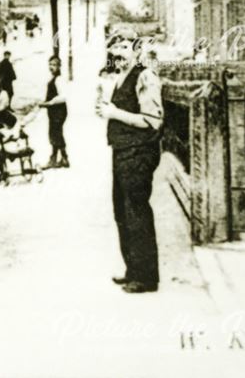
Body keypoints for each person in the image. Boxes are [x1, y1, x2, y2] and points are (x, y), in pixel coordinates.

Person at [96, 30, 163, 294]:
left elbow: (152, 120)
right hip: (122, 151)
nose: (119, 52)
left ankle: (146, 278)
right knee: (122, 213)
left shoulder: (145, 76)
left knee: (136, 212)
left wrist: (114, 112)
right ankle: (133, 270)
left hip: (139, 152)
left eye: (124, 46)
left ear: (136, 49)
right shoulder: (119, 77)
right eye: (114, 48)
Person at [40, 55, 69, 169]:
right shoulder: (53, 79)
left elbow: (63, 97)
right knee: (55, 133)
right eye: (50, 65)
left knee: (55, 133)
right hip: (54, 111)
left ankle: (56, 159)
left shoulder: (59, 79)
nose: (51, 67)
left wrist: (50, 103)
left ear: (59, 66)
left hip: (59, 110)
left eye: (54, 65)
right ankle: (63, 159)